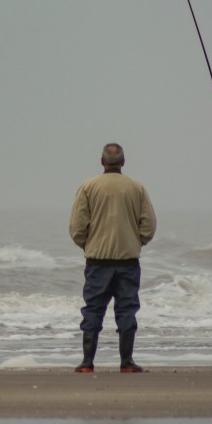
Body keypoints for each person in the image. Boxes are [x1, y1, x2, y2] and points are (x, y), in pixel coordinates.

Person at [69, 142, 156, 373]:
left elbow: (77, 227)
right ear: (123, 162)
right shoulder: (136, 188)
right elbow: (148, 225)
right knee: (127, 310)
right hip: (128, 261)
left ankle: (87, 363)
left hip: (97, 261)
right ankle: (126, 363)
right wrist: (137, 242)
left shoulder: (88, 187)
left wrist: (87, 244)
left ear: (102, 162)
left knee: (93, 309)